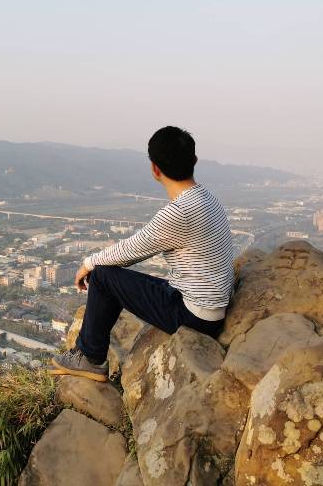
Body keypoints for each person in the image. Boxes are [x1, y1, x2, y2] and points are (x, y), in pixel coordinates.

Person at [50, 126, 235, 382]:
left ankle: (89, 357)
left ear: (155, 169)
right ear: (194, 161)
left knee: (103, 275)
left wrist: (88, 263)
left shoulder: (179, 212)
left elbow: (130, 250)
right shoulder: (206, 197)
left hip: (194, 315)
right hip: (207, 306)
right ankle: (89, 354)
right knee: (112, 275)